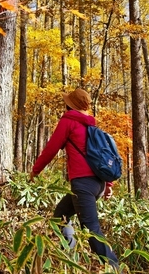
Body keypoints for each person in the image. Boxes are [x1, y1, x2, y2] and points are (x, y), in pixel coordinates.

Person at [29, 88, 119, 269]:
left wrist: (35, 171)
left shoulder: (68, 122)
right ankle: (69, 256)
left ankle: (115, 269)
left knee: (92, 231)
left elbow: (51, 148)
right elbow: (104, 156)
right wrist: (108, 185)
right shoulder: (92, 126)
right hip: (97, 184)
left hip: (82, 185)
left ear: (70, 105)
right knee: (60, 215)